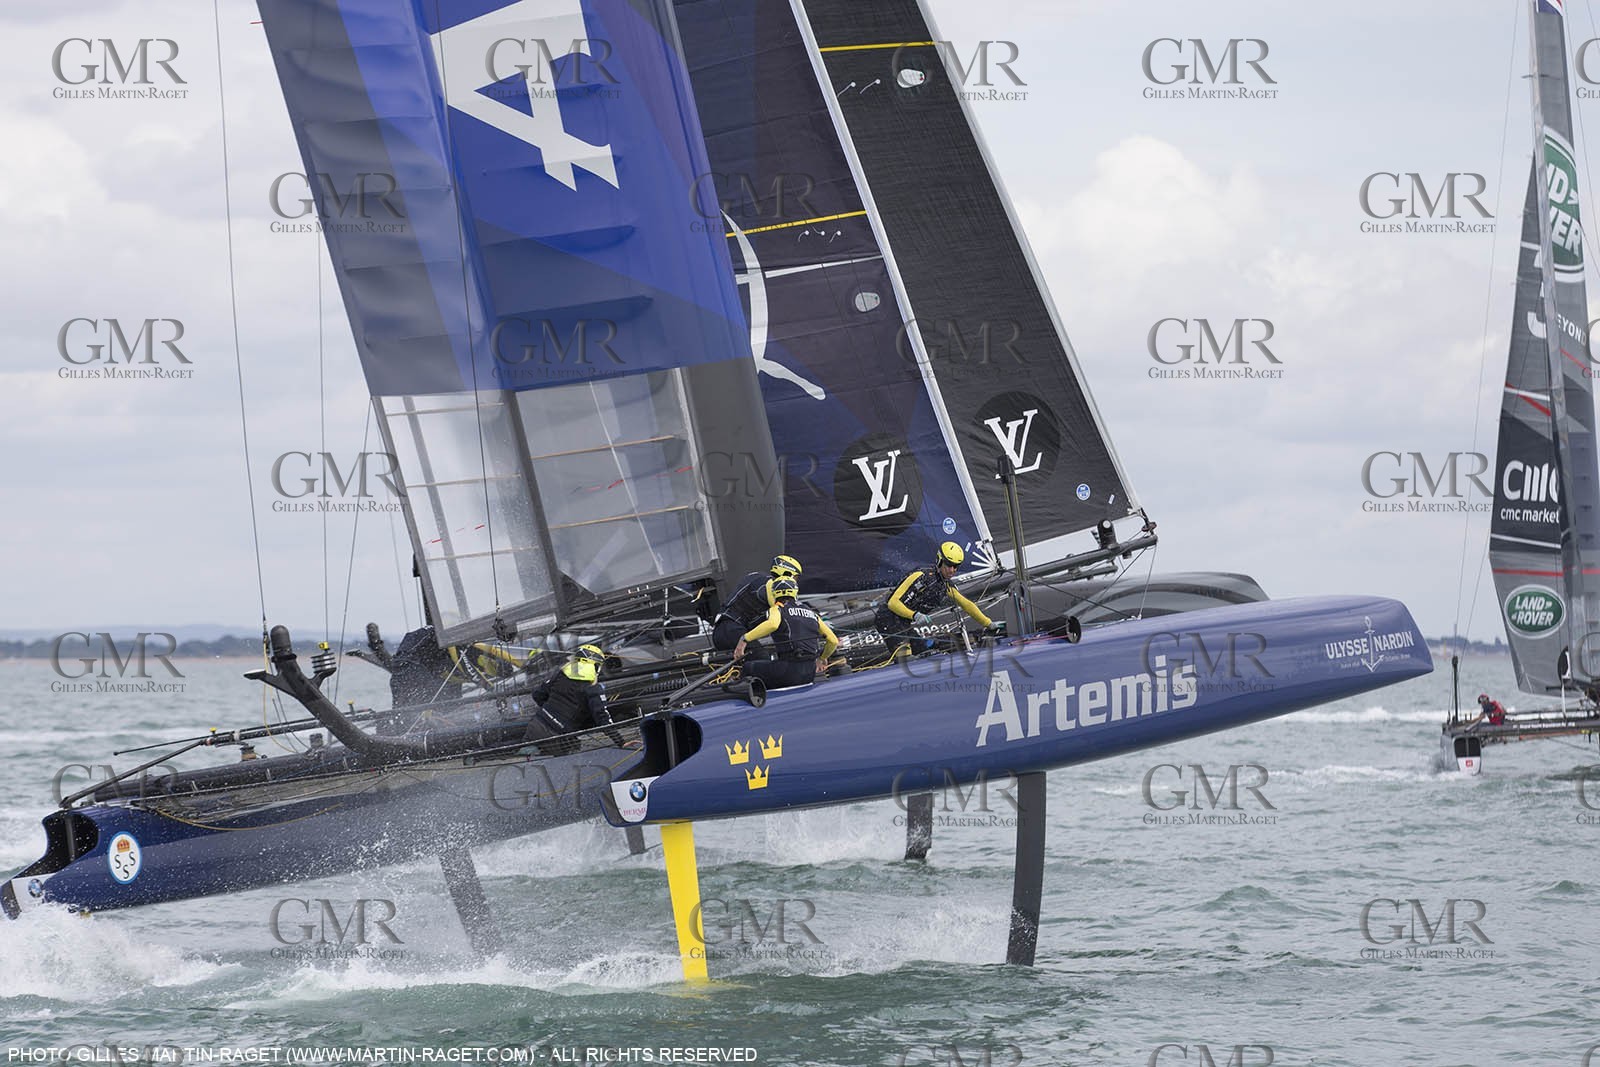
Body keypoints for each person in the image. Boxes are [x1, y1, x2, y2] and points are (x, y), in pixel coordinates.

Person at [874, 542, 997, 656]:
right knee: (906, 657)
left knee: (924, 653)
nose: (952, 570)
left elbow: (966, 604)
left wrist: (988, 623)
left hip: (904, 622)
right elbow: (892, 603)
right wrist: (915, 615)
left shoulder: (946, 585)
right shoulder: (921, 575)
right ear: (939, 561)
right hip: (887, 619)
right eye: (949, 565)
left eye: (956, 567)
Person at [734, 576, 838, 691]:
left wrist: (744, 639)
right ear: (795, 591)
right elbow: (833, 640)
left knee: (749, 667)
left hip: (788, 672)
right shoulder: (811, 612)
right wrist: (822, 658)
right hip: (809, 674)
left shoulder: (777, 608)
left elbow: (772, 624)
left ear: (774, 592)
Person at [524, 644, 617, 751]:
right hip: (559, 737)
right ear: (597, 667)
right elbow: (603, 718)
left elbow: (537, 694)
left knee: (526, 758)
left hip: (536, 724)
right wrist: (621, 742)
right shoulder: (594, 688)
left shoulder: (561, 674)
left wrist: (549, 711)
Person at [712, 554, 803, 652]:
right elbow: (785, 612)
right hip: (729, 629)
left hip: (728, 631)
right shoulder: (768, 585)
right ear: (787, 574)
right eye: (795, 578)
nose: (795, 582)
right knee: (761, 656)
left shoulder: (759, 578)